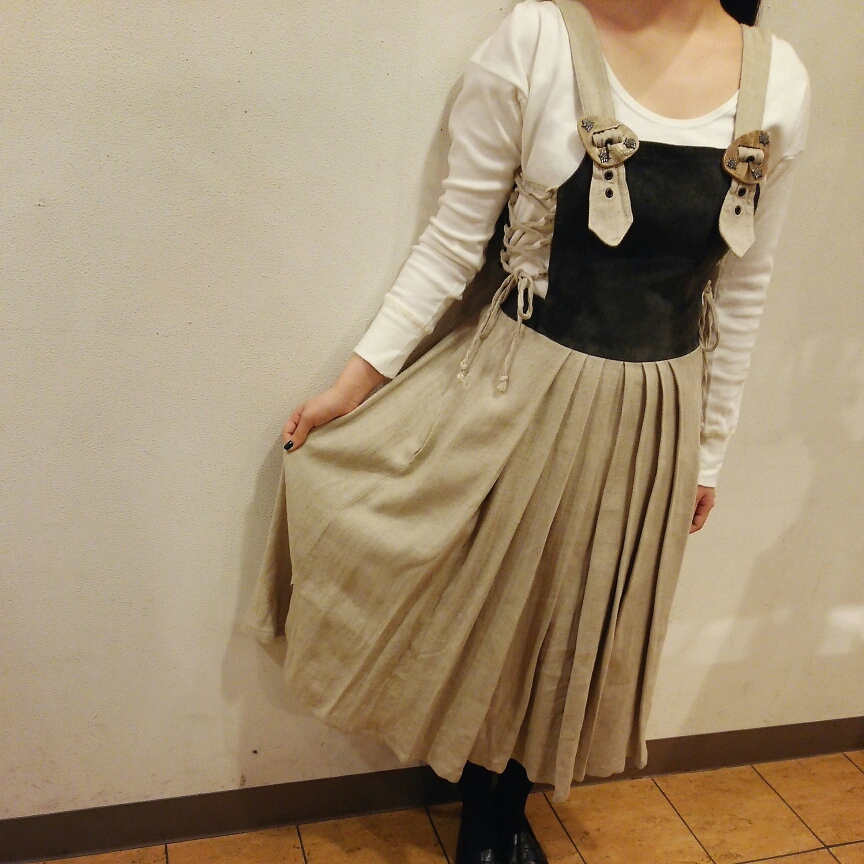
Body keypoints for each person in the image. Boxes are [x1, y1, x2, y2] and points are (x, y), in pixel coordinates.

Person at [242, 0, 810, 861]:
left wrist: (710, 451)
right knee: (498, 609)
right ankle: (482, 806)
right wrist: (353, 387)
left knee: (581, 621)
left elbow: (743, 289)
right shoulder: (539, 40)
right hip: (521, 391)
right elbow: (452, 242)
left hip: (657, 416)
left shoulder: (780, 81)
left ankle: (506, 805)